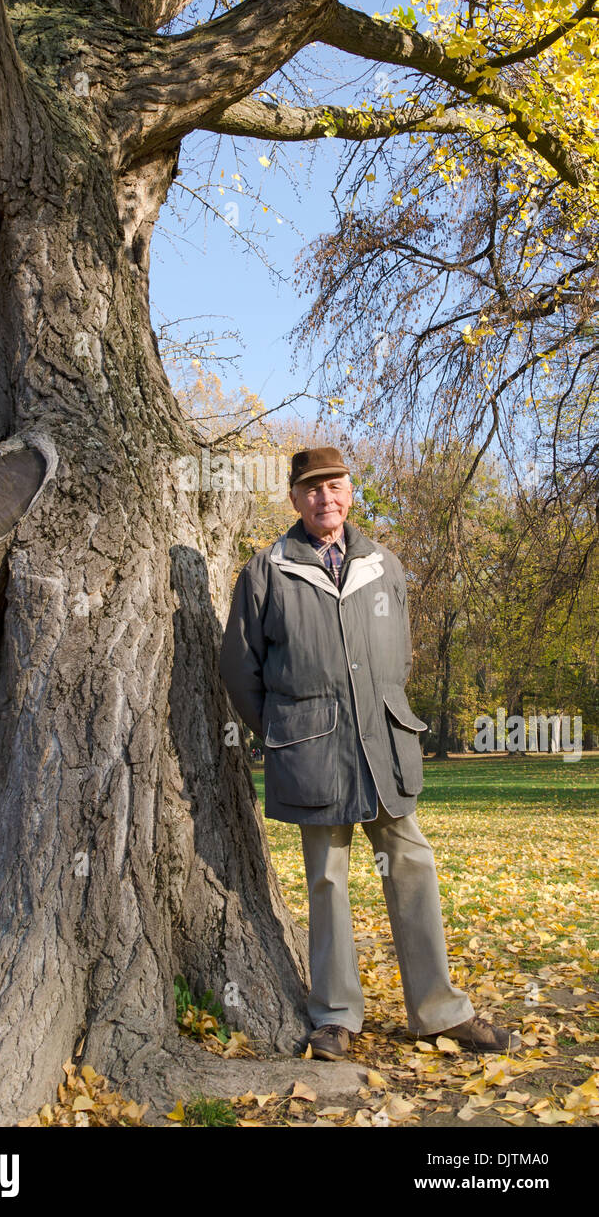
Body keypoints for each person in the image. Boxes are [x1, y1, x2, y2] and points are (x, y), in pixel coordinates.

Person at [219, 446, 522, 1061]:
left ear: (350, 491)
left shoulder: (385, 565)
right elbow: (238, 671)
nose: (323, 497)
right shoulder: (266, 571)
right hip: (311, 750)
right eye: (310, 488)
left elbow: (399, 658)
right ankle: (335, 1016)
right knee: (327, 879)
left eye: (333, 485)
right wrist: (287, 726)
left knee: (412, 865)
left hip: (384, 744)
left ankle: (436, 1010)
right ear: (295, 499)